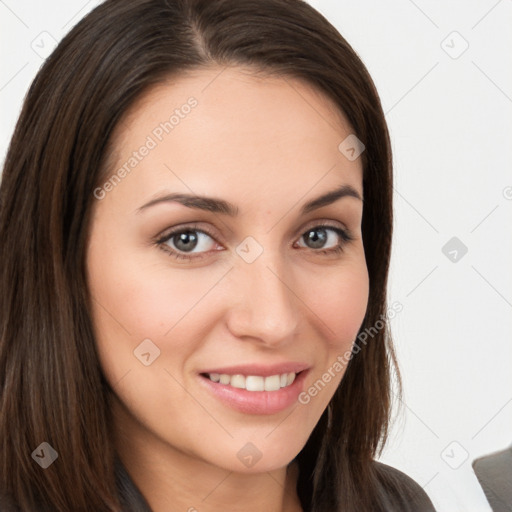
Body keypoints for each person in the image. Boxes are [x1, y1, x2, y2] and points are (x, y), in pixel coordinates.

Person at [0, 0, 436, 510]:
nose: (273, 321)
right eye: (188, 239)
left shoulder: (391, 503)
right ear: (62, 258)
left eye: (319, 236)